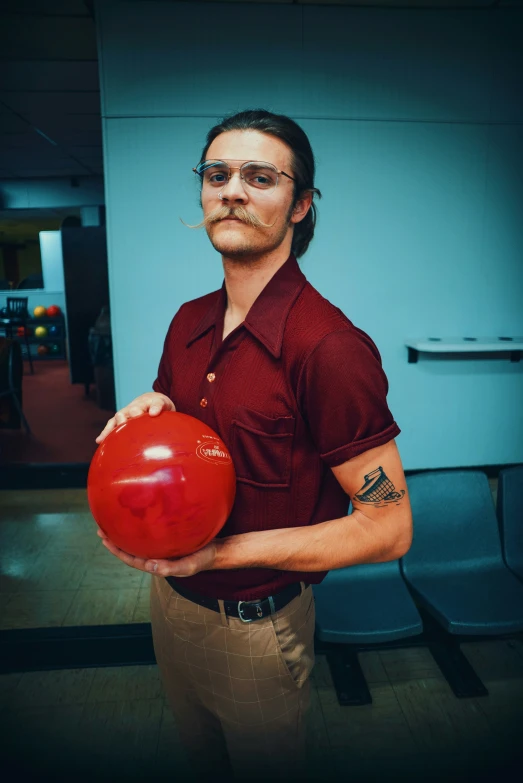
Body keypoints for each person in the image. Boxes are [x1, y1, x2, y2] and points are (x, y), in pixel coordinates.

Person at [96, 109, 413, 781]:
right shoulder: (187, 321)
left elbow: (389, 527)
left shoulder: (329, 348)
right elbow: (191, 439)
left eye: (258, 176)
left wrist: (220, 554)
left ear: (299, 204)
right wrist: (158, 409)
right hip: (169, 609)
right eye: (217, 174)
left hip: (256, 627)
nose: (231, 189)